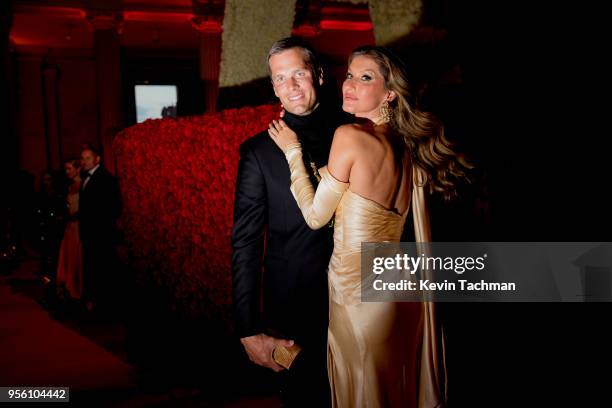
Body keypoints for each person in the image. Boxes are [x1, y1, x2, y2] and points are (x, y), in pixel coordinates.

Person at [269, 46, 471, 408]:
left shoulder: (350, 137)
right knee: (395, 389)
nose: (350, 84)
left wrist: (291, 151)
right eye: (349, 75)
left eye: (365, 78)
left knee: (366, 392)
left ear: (390, 92)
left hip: (357, 291)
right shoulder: (409, 149)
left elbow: (316, 216)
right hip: (399, 288)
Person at [231, 37, 349, 407]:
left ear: (318, 74)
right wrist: (248, 328)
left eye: (298, 73)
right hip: (296, 307)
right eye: (280, 78)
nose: (291, 86)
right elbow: (246, 241)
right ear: (274, 88)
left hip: (363, 299)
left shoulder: (358, 133)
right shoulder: (258, 152)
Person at [79, 145, 122, 314]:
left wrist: (101, 227)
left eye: (87, 158)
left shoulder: (106, 179)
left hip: (101, 235)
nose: (83, 162)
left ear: (98, 159)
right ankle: (96, 304)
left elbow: (113, 206)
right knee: (93, 270)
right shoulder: (86, 178)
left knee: (102, 270)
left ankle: (105, 307)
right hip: (90, 234)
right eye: (82, 158)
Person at [56, 157, 83, 301]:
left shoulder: (83, 185)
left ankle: (78, 288)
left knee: (77, 255)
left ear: (78, 168)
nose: (67, 172)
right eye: (65, 169)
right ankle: (69, 288)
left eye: (69, 169)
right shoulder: (69, 186)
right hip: (69, 227)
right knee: (69, 255)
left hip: (78, 226)